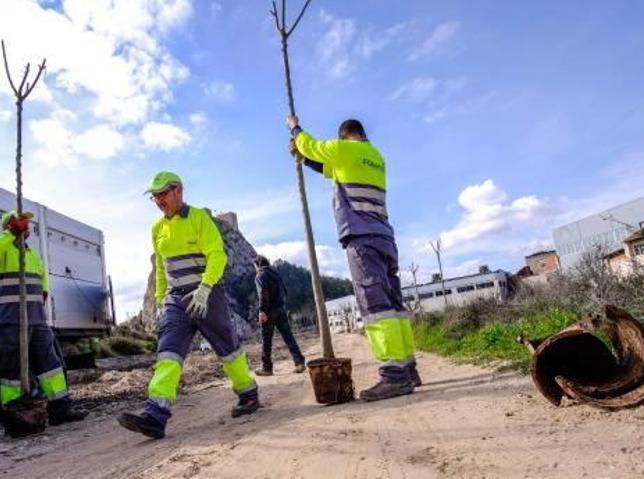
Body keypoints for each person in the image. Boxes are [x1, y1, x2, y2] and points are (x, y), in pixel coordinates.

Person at [286, 116, 422, 402]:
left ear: (344, 136)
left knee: (376, 307)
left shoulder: (344, 149)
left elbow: (312, 146)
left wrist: (295, 130)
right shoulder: (374, 156)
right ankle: (409, 370)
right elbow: (328, 167)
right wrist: (305, 159)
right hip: (384, 237)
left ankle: (394, 377)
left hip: (362, 238)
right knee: (395, 307)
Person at [118, 171, 259, 439]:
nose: (159, 200)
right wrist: (161, 302)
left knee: (227, 348)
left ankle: (248, 394)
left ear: (178, 191)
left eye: (162, 194)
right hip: (176, 299)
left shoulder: (200, 219)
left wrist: (205, 289)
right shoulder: (157, 229)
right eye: (154, 196)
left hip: (207, 294)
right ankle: (155, 415)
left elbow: (217, 255)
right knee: (167, 353)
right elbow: (161, 269)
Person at [0, 211, 87, 426]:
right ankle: (14, 417)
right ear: (10, 225)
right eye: (22, 222)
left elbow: (41, 276)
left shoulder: (31, 253)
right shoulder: (3, 250)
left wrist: (45, 293)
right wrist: (11, 233)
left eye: (27, 222)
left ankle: (61, 409)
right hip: (12, 318)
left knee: (50, 365)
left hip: (37, 319)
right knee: (11, 367)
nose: (27, 225)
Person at [252, 255, 306, 376]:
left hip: (269, 311)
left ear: (258, 265)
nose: (255, 269)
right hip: (280, 309)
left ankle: (267, 368)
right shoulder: (276, 275)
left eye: (255, 266)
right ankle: (299, 362)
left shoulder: (260, 275)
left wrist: (262, 311)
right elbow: (285, 291)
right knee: (288, 337)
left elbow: (263, 293)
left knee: (267, 341)